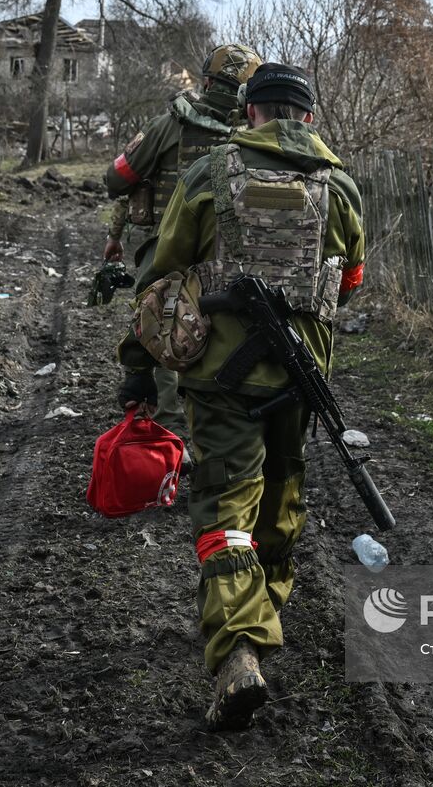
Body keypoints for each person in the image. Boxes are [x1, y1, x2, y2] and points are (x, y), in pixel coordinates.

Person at [117, 63, 366, 731]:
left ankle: (238, 650)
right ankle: (260, 613)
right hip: (300, 375)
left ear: (249, 112)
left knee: (226, 508)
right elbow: (348, 283)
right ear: (308, 117)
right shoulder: (339, 184)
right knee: (281, 501)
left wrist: (138, 361)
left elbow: (162, 273)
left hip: (217, 379)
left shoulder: (210, 174)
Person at [101, 43, 263, 441]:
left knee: (161, 322)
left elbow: (117, 178)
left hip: (168, 248)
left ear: (206, 82)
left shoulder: (168, 125)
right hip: (232, 257)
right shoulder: (256, 135)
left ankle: (169, 429)